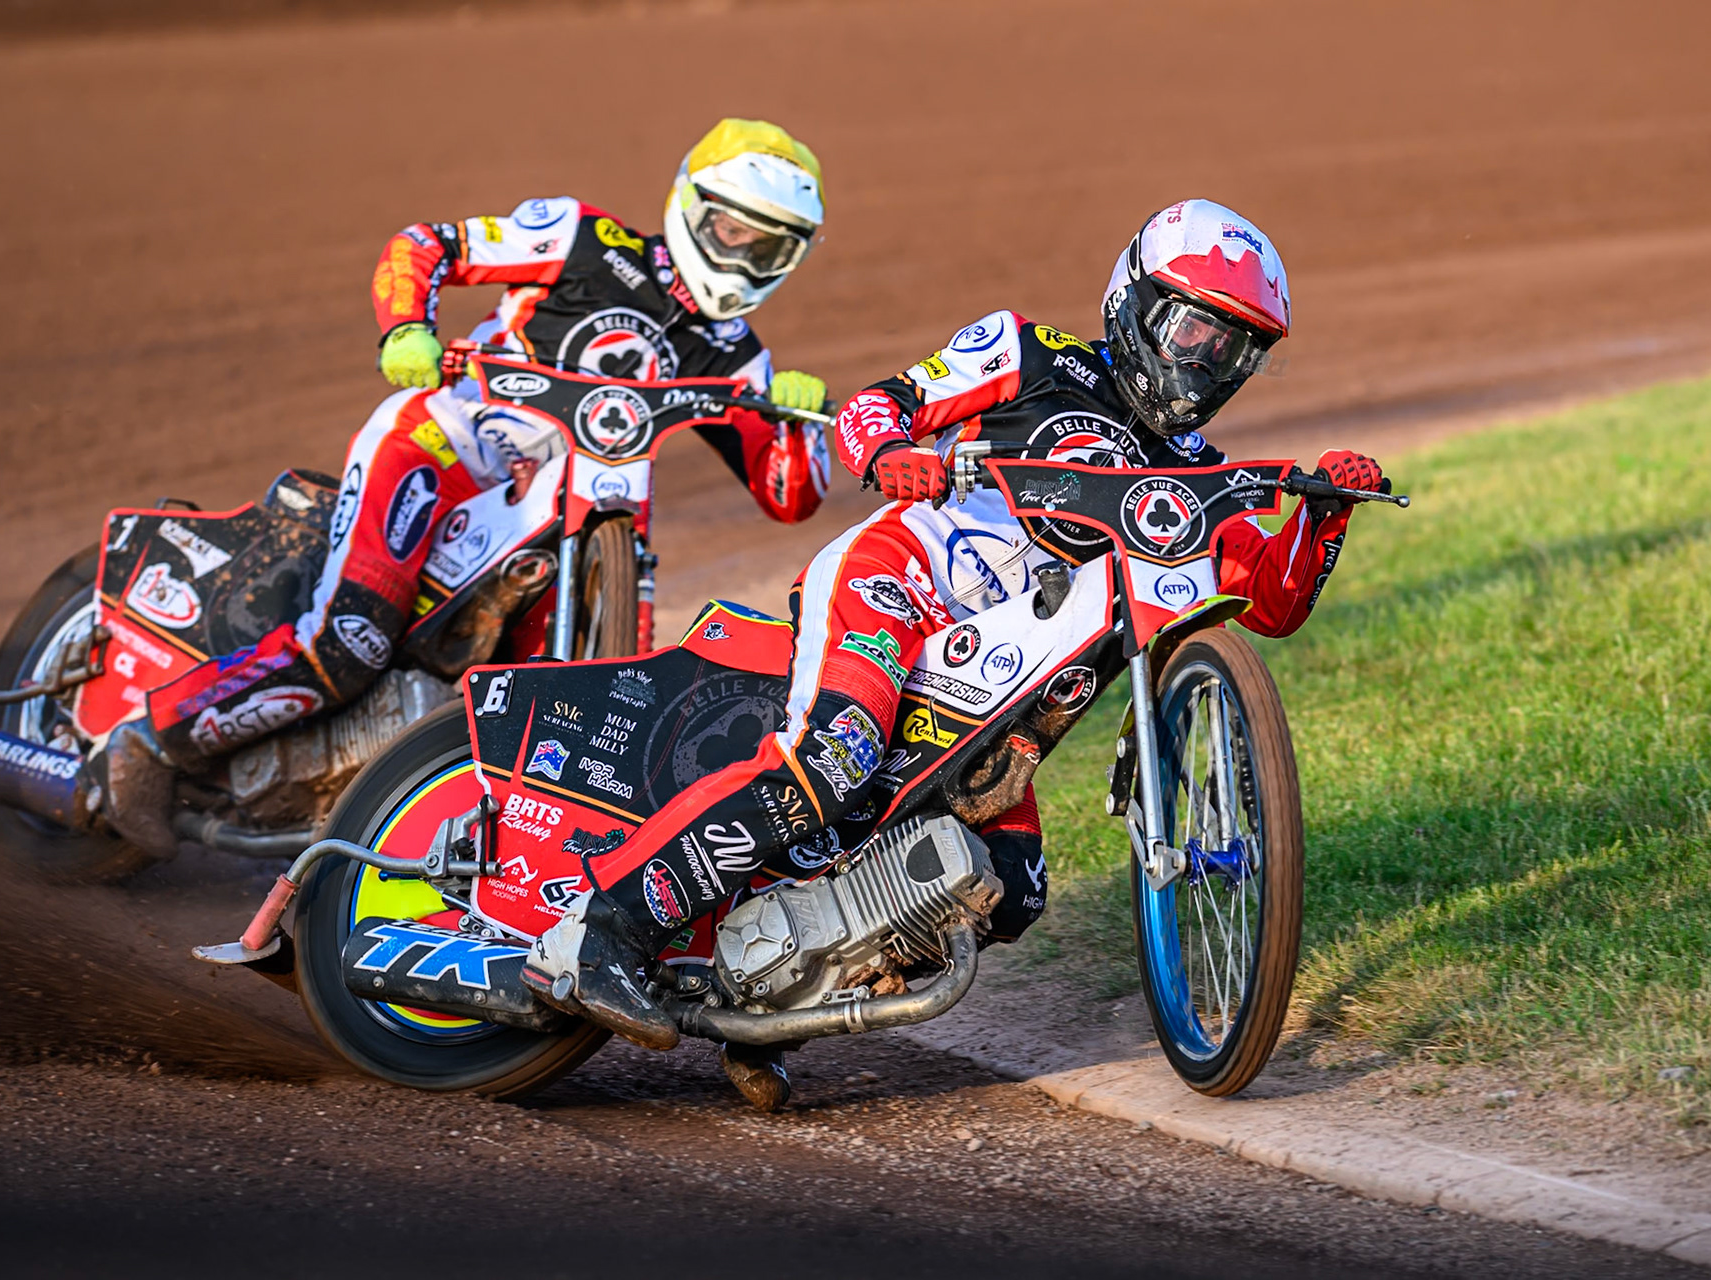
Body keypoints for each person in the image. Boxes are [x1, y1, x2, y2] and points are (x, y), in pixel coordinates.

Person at [521, 199, 1388, 1107]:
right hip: (897, 586)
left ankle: (770, 997)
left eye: (1234, 349)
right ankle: (603, 929)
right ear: (1134, 300)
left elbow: (1274, 602)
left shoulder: (1199, 480)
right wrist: (896, 452)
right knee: (833, 757)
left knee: (1009, 890)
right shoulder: (1027, 352)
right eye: (1193, 328)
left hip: (991, 715)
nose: (1205, 362)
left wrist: (1323, 517)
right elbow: (874, 409)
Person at [97, 119, 835, 858]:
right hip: (443, 445)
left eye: (766, 245)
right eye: (730, 228)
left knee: (533, 710)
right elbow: (424, 246)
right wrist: (405, 329)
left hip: (568, 519)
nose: (741, 253)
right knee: (349, 641)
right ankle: (148, 742)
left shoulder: (737, 359)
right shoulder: (583, 239)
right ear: (689, 204)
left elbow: (787, 497)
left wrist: (799, 421)